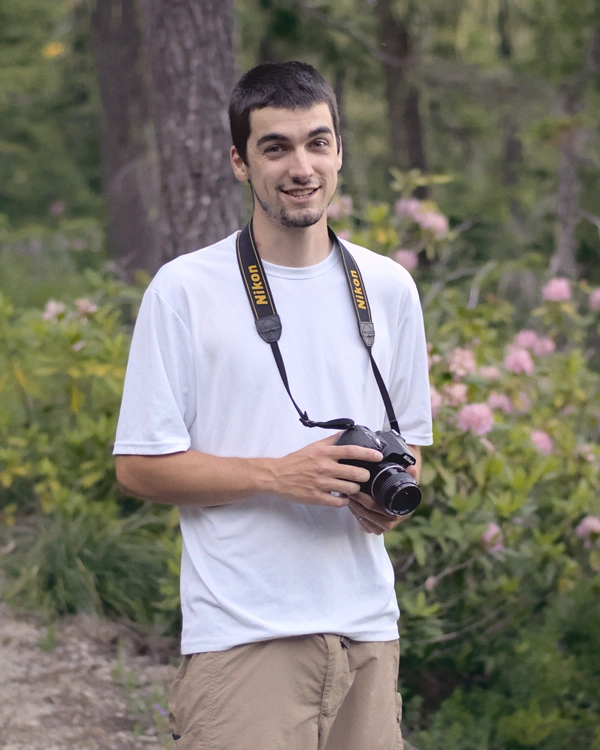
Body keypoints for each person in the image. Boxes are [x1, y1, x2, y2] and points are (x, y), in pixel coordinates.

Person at [114, 61, 432, 750]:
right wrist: (275, 475)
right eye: (276, 147)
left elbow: (415, 448)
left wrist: (385, 501)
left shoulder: (390, 288)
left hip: (368, 634)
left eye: (318, 142)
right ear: (238, 161)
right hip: (242, 637)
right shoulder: (185, 290)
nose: (301, 166)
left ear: (339, 151)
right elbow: (138, 467)